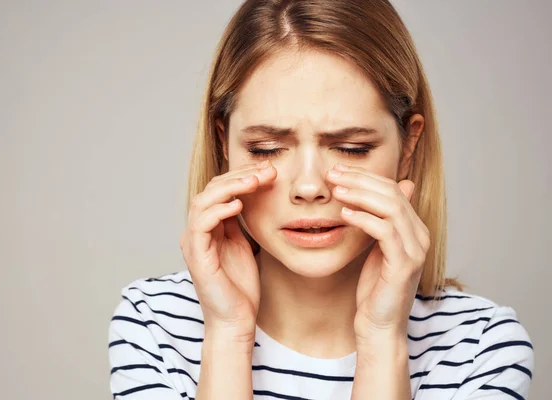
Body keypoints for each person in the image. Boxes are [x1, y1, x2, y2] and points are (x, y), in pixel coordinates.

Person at [108, 1, 534, 399]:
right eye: (267, 147)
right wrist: (229, 334)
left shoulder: (482, 346)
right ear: (224, 144)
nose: (309, 187)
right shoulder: (152, 323)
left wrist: (383, 340)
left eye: (351, 148)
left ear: (408, 147)